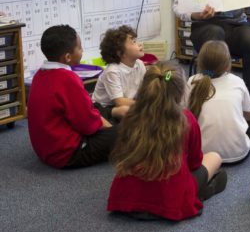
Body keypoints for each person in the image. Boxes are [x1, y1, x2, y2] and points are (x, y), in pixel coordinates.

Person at [107, 62, 227, 221]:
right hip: (170, 201)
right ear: (179, 92)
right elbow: (195, 163)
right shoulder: (186, 119)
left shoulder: (131, 116)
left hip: (126, 199)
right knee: (215, 157)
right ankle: (201, 191)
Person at [27, 25, 116, 168]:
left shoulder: (39, 74)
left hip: (45, 148)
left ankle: (114, 116)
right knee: (123, 133)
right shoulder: (67, 79)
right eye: (80, 48)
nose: (82, 51)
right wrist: (111, 129)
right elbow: (87, 125)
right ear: (68, 57)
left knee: (97, 107)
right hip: (67, 154)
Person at [187, 40, 250, 164]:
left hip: (200, 153)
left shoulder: (192, 81)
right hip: (237, 155)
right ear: (228, 63)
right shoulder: (237, 81)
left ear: (199, 61)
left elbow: (184, 113)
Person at [92, 25, 145, 123]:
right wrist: (145, 104)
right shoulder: (112, 71)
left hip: (126, 103)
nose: (140, 44)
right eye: (133, 42)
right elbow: (119, 102)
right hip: (105, 109)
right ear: (121, 53)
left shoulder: (140, 64)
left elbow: (145, 89)